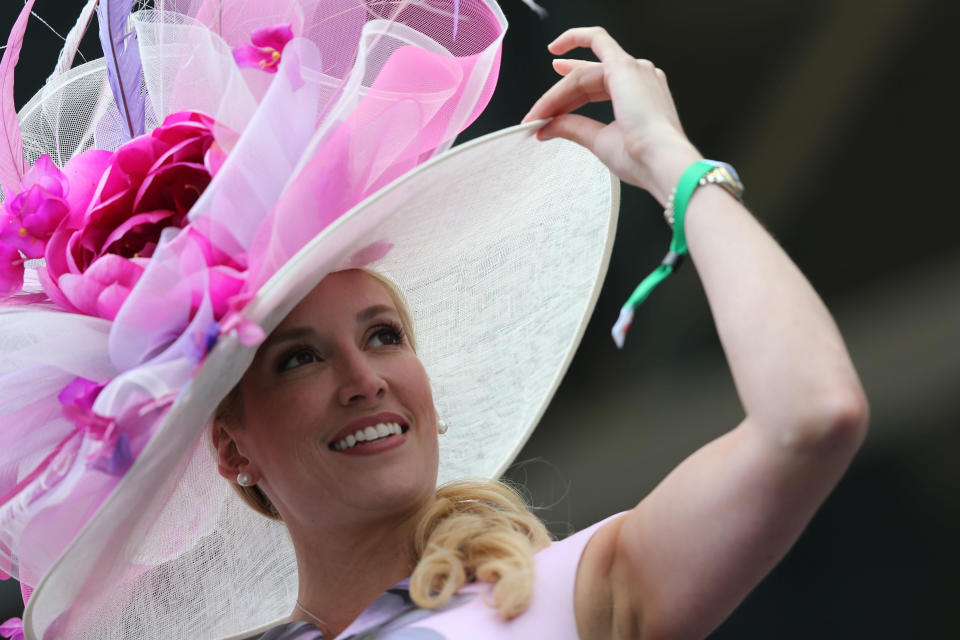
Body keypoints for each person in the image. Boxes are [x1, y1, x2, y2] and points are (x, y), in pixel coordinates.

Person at [0, 2, 866, 639]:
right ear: (232, 449)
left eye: (384, 334)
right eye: (298, 359)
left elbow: (813, 414)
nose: (364, 376)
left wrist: (670, 166)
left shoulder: (568, 598)